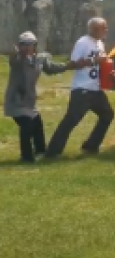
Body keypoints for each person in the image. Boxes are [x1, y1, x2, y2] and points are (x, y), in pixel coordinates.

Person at [4, 32, 91, 163]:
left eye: (30, 44)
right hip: (15, 101)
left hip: (29, 101)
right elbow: (15, 60)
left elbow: (51, 68)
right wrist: (16, 53)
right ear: (19, 46)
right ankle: (26, 157)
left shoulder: (39, 60)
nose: (27, 47)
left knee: (37, 124)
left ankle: (40, 151)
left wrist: (71, 65)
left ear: (35, 46)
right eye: (23, 44)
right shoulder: (16, 60)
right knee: (26, 126)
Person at [45, 18, 115, 159]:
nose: (106, 31)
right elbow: (73, 64)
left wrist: (111, 74)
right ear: (95, 29)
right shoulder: (82, 42)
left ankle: (91, 146)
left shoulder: (100, 44)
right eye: (104, 28)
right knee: (71, 120)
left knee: (107, 115)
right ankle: (52, 152)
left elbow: (100, 66)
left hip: (96, 90)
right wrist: (93, 60)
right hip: (82, 90)